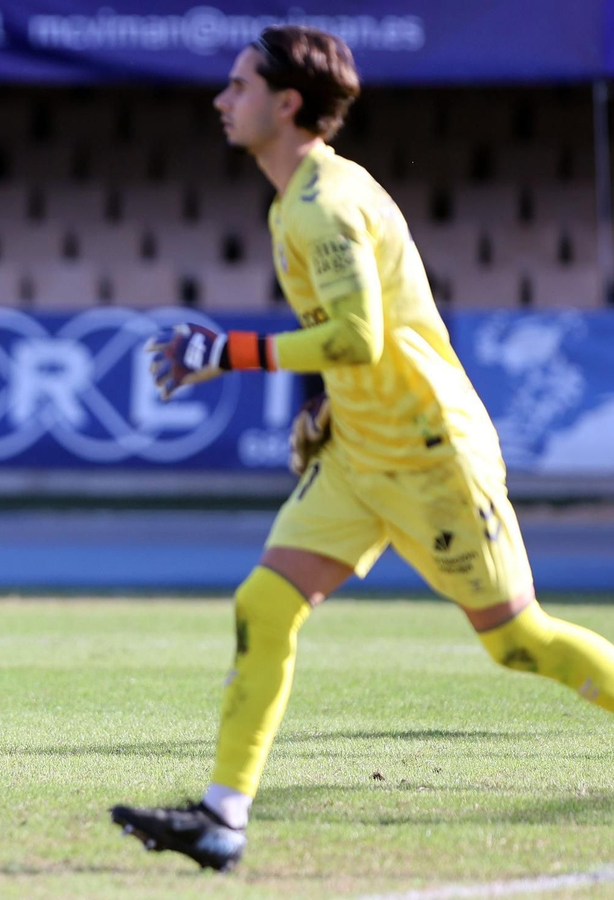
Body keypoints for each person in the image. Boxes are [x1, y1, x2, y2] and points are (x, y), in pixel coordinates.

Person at [111, 25, 614, 871]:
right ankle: (222, 820)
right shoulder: (293, 199)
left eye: (238, 86)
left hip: (430, 453)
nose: (221, 99)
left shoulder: (324, 205)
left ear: (288, 102)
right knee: (264, 607)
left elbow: (356, 335)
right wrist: (331, 411)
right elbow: (347, 347)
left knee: (517, 641)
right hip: (357, 456)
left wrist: (224, 352)